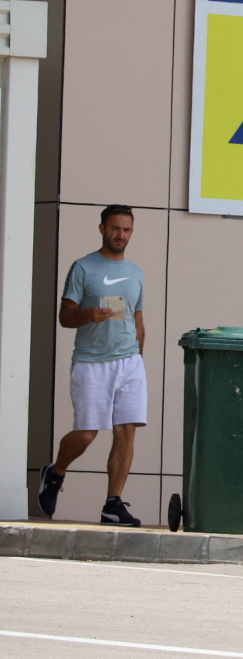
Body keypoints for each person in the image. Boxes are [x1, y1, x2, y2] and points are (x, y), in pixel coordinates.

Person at [39, 205, 147, 526]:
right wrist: (89, 315)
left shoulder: (137, 273)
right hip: (91, 363)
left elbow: (138, 321)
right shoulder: (83, 268)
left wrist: (138, 358)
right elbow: (65, 317)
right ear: (102, 229)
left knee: (126, 430)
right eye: (115, 228)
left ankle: (112, 504)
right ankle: (55, 471)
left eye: (126, 230)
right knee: (87, 435)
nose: (121, 235)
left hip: (129, 362)